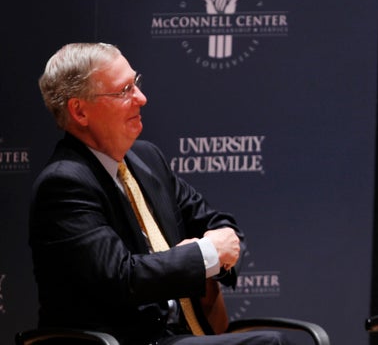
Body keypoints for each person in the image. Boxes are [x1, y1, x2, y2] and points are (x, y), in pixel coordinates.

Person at [31, 42, 289, 345]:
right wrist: (204, 254)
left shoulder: (147, 159)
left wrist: (217, 252)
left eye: (135, 84)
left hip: (176, 335)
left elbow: (219, 226)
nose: (141, 98)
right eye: (123, 90)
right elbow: (121, 278)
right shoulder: (64, 183)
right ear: (79, 111)